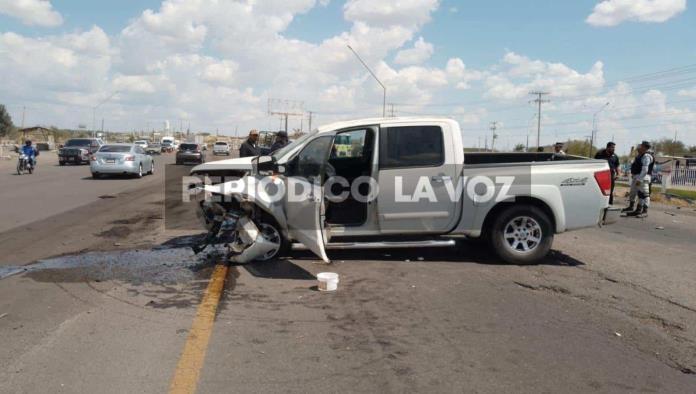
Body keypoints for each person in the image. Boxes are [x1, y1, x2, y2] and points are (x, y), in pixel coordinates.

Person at [623, 141, 654, 218]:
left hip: (644, 178)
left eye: (641, 145)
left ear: (644, 147)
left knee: (645, 195)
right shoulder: (641, 155)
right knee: (640, 194)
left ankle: (644, 211)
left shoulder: (647, 156)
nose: (639, 146)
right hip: (638, 177)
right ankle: (638, 210)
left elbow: (645, 170)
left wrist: (639, 180)